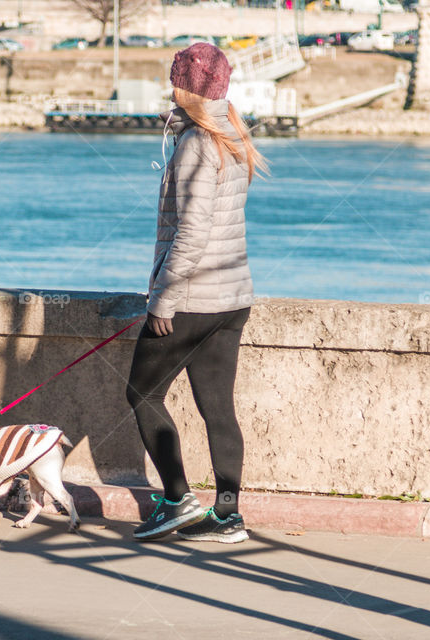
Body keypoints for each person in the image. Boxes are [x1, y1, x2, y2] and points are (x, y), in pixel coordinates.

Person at [125, 43, 267, 544]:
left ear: (187, 88)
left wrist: (163, 299)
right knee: (218, 408)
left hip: (191, 299)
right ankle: (228, 517)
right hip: (232, 299)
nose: (170, 89)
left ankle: (177, 499)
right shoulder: (232, 133)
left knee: (142, 393)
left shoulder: (195, 144)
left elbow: (191, 233)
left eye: (175, 82)